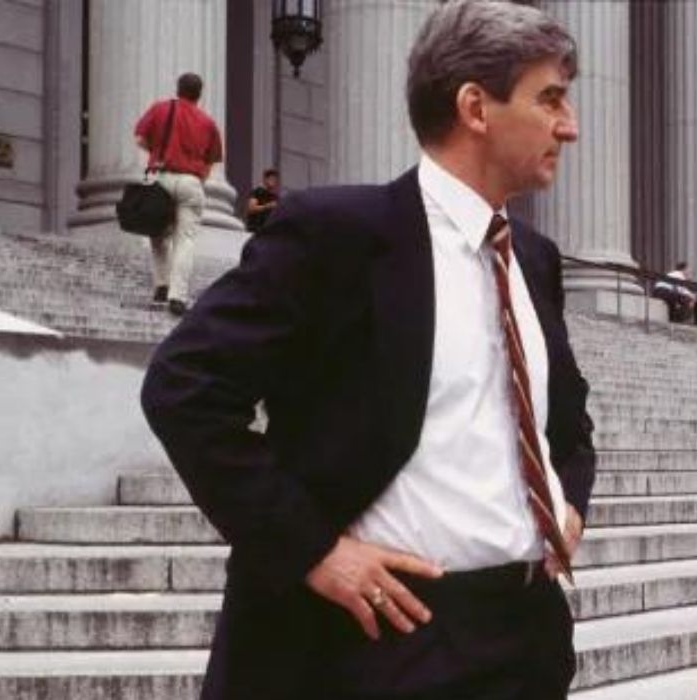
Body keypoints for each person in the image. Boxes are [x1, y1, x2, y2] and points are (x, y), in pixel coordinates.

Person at [140, 2, 594, 698]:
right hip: (388, 643)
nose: (570, 126)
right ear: (476, 106)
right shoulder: (337, 235)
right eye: (551, 100)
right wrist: (313, 551)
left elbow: (568, 427)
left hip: (527, 638)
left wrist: (570, 501)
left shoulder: (534, 260)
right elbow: (185, 385)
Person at [133, 72, 223, 316]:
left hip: (161, 176)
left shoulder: (161, 109)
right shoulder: (207, 122)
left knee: (157, 232)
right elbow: (212, 158)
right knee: (185, 240)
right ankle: (177, 296)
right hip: (191, 182)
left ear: (178, 89)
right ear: (199, 93)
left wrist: (158, 151)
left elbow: (140, 138)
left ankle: (162, 284)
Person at [244, 168, 282, 233]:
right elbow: (251, 208)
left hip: (268, 231)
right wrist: (267, 206)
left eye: (275, 180)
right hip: (255, 229)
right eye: (271, 179)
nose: (274, 182)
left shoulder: (275, 198)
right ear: (265, 179)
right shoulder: (257, 192)